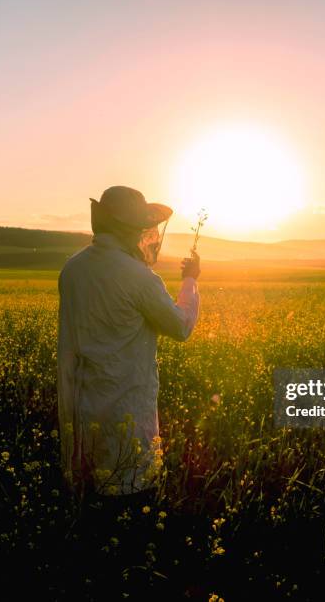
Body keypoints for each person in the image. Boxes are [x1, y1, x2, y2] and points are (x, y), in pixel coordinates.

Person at [57, 185, 200, 502]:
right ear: (132, 229)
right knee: (132, 498)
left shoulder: (72, 268)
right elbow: (180, 327)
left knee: (89, 503)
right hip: (126, 413)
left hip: (79, 412)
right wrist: (191, 280)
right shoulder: (140, 277)